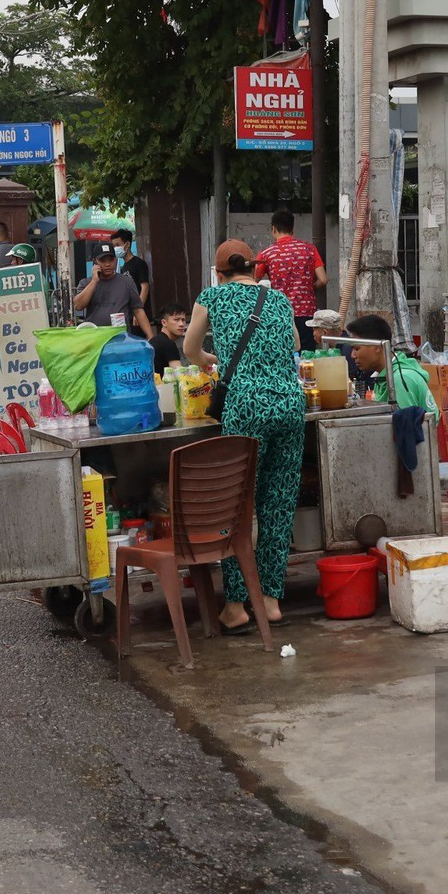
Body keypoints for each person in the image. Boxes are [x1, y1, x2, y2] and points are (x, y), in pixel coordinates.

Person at [184, 239, 307, 632]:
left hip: (246, 407)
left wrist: (209, 360)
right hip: (290, 403)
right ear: (255, 269)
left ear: (218, 273)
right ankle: (270, 600)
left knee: (238, 506)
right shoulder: (279, 299)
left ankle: (236, 605)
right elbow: (295, 345)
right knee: (278, 501)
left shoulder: (211, 297)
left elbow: (190, 348)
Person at [253, 207, 326, 347]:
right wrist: (308, 289)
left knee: (283, 353)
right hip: (306, 313)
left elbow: (252, 281)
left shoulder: (266, 254)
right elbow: (323, 279)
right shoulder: (309, 249)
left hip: (280, 313)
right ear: (292, 229)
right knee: (306, 357)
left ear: (273, 229)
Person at [345, 315, 438, 416]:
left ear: (377, 346)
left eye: (357, 349)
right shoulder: (382, 377)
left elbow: (406, 427)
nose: (352, 355)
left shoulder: (401, 380)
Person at [74, 247, 151, 334]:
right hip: (95, 336)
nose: (107, 264)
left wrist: (150, 337)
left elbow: (138, 310)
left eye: (111, 260)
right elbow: (78, 306)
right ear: (95, 261)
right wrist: (94, 281)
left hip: (120, 336)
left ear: (116, 260)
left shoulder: (127, 282)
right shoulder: (86, 283)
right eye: (103, 260)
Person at [111, 229, 150, 310]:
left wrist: (139, 309)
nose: (115, 248)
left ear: (127, 244)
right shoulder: (123, 267)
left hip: (141, 313)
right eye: (113, 246)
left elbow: (145, 288)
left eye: (117, 245)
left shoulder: (139, 263)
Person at [152, 303, 189, 374]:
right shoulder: (168, 344)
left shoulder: (155, 340)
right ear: (164, 322)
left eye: (183, 320)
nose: (181, 324)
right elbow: (180, 376)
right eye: (176, 320)